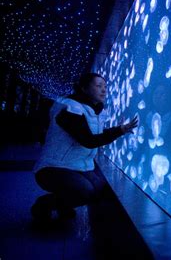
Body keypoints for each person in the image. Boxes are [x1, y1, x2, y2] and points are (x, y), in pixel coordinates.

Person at [31, 73, 138, 221]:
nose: (104, 90)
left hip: (77, 166)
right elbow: (88, 140)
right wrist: (118, 131)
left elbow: (91, 134)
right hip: (53, 168)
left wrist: (121, 129)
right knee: (85, 192)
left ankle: (63, 203)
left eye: (105, 87)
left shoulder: (95, 111)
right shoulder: (70, 109)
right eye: (98, 86)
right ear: (83, 88)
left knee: (99, 190)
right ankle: (45, 203)